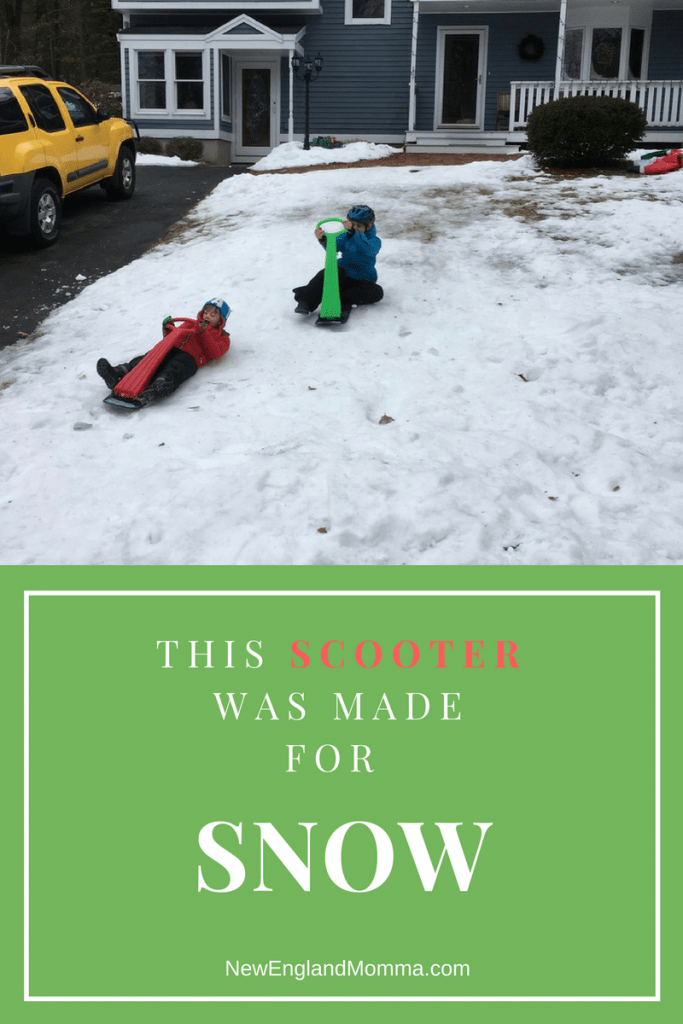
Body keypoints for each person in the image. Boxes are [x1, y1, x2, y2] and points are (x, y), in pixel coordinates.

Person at [96, 298, 231, 407]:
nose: (208, 316)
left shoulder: (223, 338)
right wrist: (167, 328)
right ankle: (118, 373)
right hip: (171, 348)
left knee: (175, 367)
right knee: (150, 358)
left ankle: (160, 386)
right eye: (206, 312)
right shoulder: (190, 324)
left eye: (213, 315)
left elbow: (215, 352)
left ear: (221, 321)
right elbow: (172, 337)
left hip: (190, 358)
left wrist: (204, 332)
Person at [293, 205, 383, 322]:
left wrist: (353, 233)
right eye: (352, 224)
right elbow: (333, 246)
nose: (354, 228)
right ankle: (306, 300)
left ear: (369, 226)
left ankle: (340, 300)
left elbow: (368, 250)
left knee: (377, 292)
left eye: (358, 226)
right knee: (324, 274)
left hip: (363, 278)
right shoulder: (345, 236)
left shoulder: (375, 241)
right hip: (343, 273)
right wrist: (324, 240)